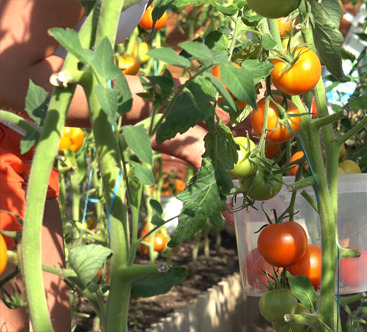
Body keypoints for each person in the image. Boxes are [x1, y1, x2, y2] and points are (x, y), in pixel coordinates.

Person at [0, 1, 241, 330]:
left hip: (27, 139)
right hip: (12, 132)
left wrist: (187, 123)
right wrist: (174, 100)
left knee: (48, 318)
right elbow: (7, 76)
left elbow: (73, 82)